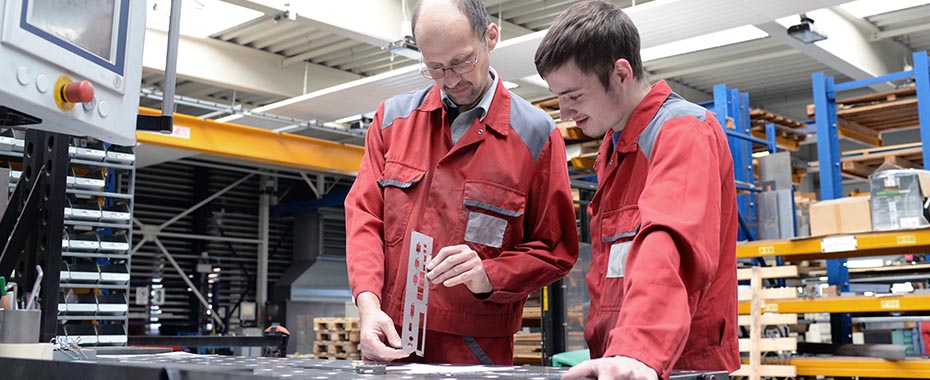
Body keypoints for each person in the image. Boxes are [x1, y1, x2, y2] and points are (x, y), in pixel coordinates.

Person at [344, 0, 579, 365]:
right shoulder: (393, 121)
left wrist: (489, 274)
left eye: (460, 62)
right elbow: (364, 219)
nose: (451, 80)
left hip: (477, 347)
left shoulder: (536, 135)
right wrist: (369, 307)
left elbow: (556, 248)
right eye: (435, 67)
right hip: (391, 333)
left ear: (491, 37)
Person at [534, 1, 740, 379]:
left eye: (574, 96)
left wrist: (637, 349)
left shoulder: (682, 131)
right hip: (622, 361)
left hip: (675, 365)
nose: (564, 113)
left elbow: (668, 241)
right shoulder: (615, 147)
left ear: (621, 73)